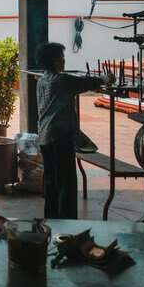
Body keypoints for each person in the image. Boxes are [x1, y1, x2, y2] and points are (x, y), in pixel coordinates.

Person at [36, 42, 111, 219]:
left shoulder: (42, 80)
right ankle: (68, 224)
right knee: (66, 184)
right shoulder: (62, 80)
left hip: (45, 136)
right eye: (62, 58)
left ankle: (52, 219)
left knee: (52, 181)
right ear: (55, 61)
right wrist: (106, 79)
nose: (64, 61)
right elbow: (87, 82)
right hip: (59, 135)